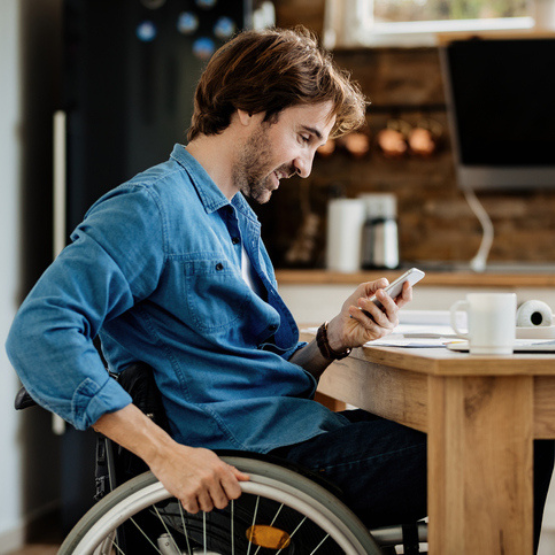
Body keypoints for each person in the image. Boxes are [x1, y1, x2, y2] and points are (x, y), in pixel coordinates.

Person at [5, 26, 553, 548]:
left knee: (509, 425)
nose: (306, 166)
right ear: (247, 106)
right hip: (264, 465)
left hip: (290, 440)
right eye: (304, 137)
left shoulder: (235, 218)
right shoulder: (151, 209)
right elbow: (39, 333)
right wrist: (168, 456)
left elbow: (241, 373)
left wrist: (333, 339)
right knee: (517, 436)